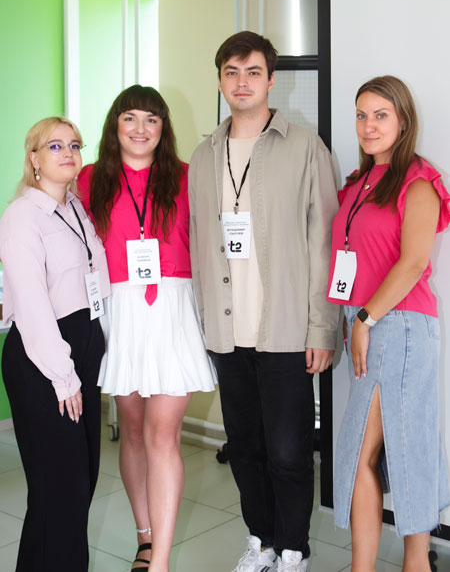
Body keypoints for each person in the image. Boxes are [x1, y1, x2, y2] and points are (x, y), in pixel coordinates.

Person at [188, 31, 339, 572]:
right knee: (245, 448)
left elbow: (325, 244)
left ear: (271, 80)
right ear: (220, 81)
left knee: (289, 453)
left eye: (253, 72)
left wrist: (322, 328)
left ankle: (294, 549)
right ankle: (262, 541)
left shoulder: (305, 148)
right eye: (231, 72)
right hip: (228, 334)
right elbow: (197, 243)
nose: (242, 82)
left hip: (286, 330)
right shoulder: (203, 156)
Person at [77, 84, 216, 572]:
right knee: (133, 431)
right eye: (130, 118)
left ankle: (160, 562)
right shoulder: (89, 178)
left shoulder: (187, 175)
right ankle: (144, 537)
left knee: (162, 435)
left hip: (173, 310)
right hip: (119, 311)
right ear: (114, 125)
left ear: (164, 128)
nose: (140, 128)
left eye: (151, 119)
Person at [327, 75, 450, 571]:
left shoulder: (418, 180)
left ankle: (411, 563)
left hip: (400, 327)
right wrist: (352, 318)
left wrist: (364, 318)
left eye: (381, 115)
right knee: (389, 448)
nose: (368, 126)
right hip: (369, 324)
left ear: (403, 121)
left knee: (387, 448)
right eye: (361, 115)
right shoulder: (359, 183)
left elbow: (414, 262)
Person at [0, 117, 110, 572]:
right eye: (55, 145)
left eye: (75, 145)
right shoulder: (22, 216)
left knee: (75, 484)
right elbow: (31, 306)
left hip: (81, 350)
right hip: (43, 359)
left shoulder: (77, 209)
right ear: (34, 158)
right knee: (62, 488)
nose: (68, 153)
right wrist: (63, 377)